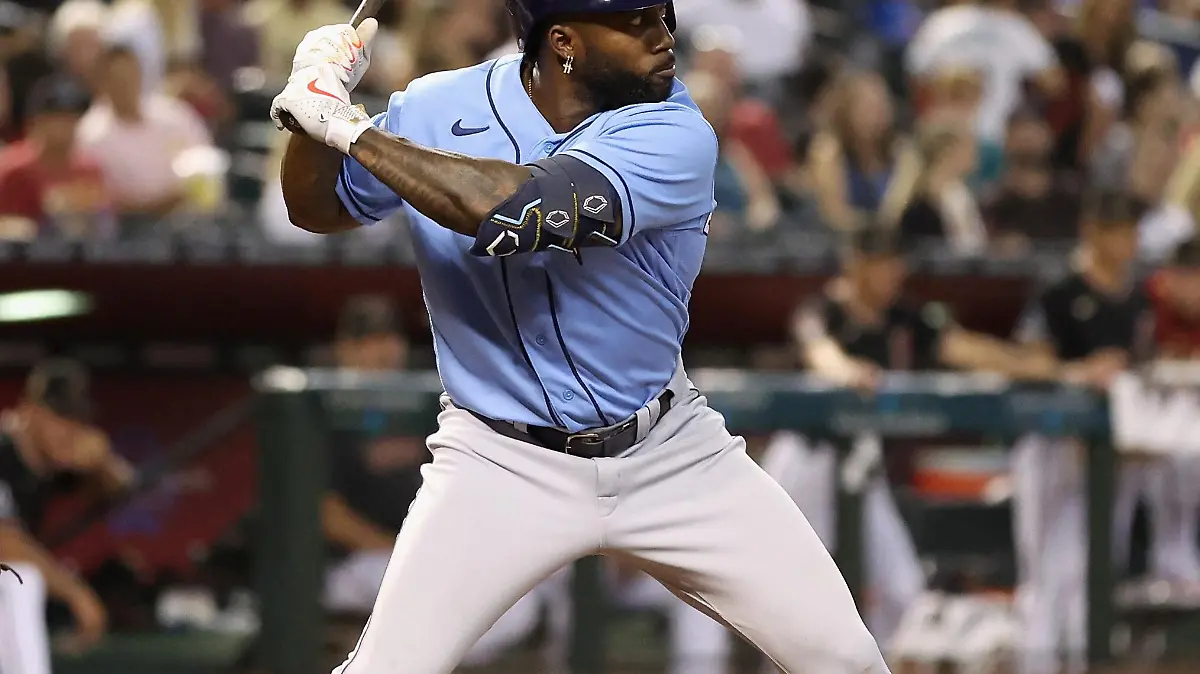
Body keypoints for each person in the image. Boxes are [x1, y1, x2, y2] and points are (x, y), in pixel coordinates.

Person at [269, 1, 890, 673]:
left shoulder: (674, 127)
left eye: (661, 15)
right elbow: (314, 207)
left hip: (669, 454)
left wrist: (349, 131)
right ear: (563, 41)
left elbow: (518, 210)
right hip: (498, 460)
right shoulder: (435, 107)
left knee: (847, 658)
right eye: (634, 23)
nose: (663, 36)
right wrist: (315, 106)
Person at [761, 224, 1100, 646]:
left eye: (895, 263)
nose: (892, 274)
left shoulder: (904, 316)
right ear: (856, 265)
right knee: (779, 588)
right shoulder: (821, 310)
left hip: (862, 468)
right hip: (805, 462)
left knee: (903, 591)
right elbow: (820, 352)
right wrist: (846, 371)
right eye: (881, 264)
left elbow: (967, 350)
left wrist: (1057, 370)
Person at [1011, 190, 1155, 674]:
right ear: (1093, 232)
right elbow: (1027, 360)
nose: (1129, 242)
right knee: (1047, 575)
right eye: (1119, 231)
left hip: (1113, 452)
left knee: (1093, 573)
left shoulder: (1136, 297)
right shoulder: (1059, 289)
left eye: (1132, 231)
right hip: (1053, 444)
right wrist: (1076, 372)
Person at [0, 359, 136, 674]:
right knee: (19, 579)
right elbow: (4, 543)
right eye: (59, 417)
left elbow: (121, 491)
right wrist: (76, 594)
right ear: (30, 410)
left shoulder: (46, 460)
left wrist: (103, 463)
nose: (68, 429)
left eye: (74, 419)